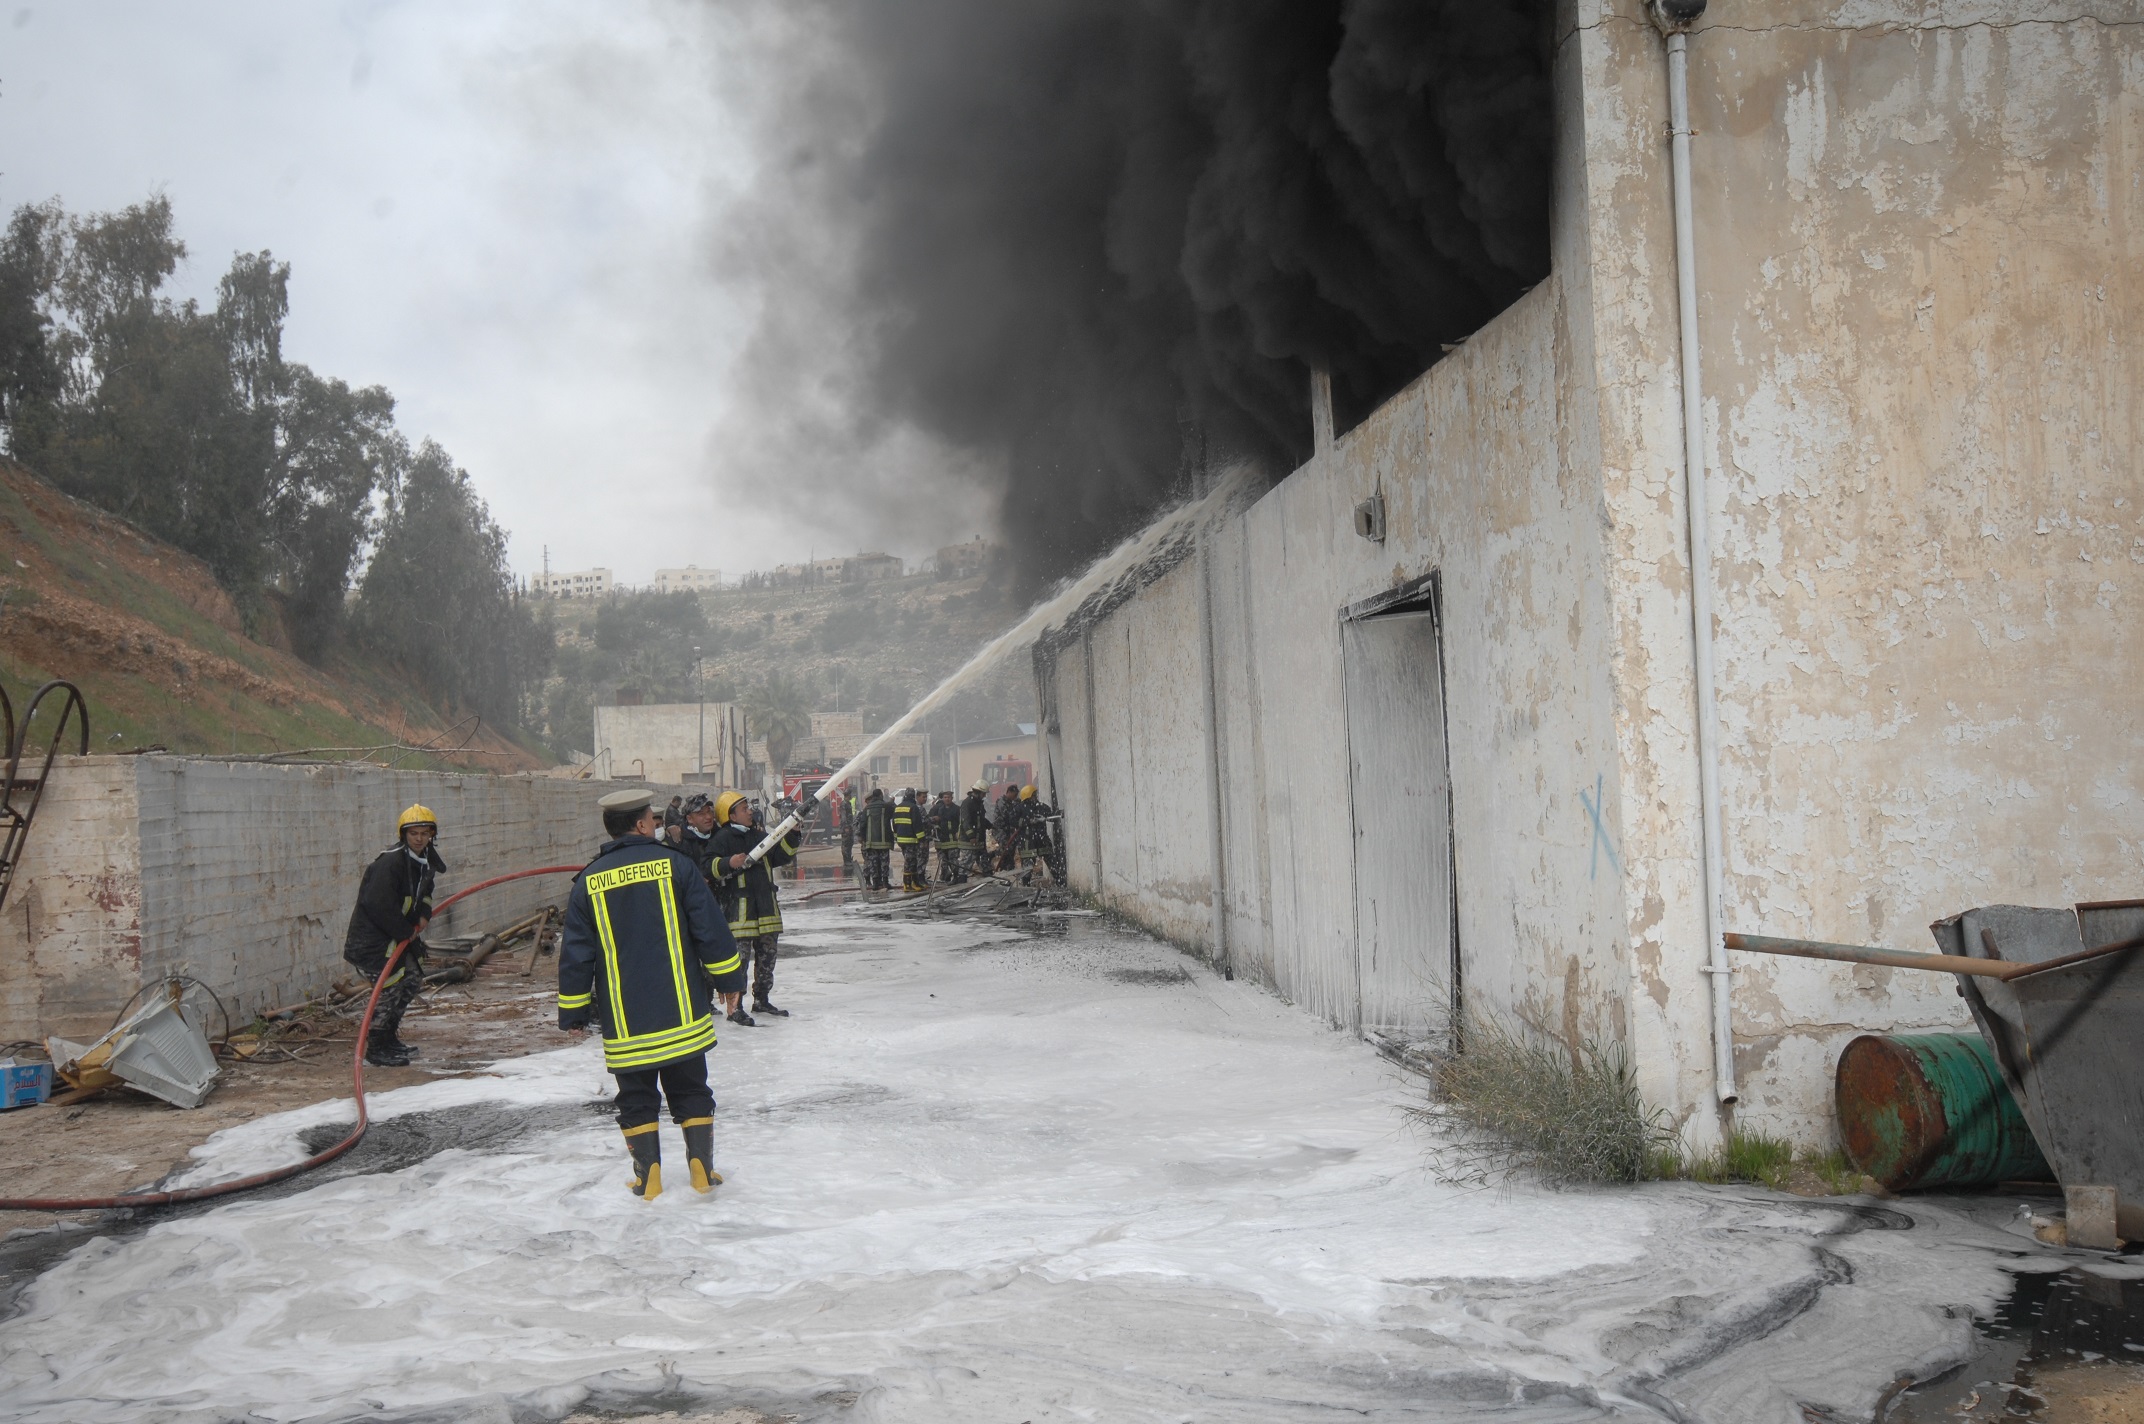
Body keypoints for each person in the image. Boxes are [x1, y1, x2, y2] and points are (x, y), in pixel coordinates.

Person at [558, 787, 745, 1200]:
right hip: (682, 1013)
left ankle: (648, 1179)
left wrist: (572, 1012)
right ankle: (701, 1173)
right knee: (692, 1089)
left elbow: (575, 954)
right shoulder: (676, 866)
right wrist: (731, 981)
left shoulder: (588, 881)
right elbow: (709, 930)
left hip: (626, 1021)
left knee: (637, 1097)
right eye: (653, 820)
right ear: (642, 824)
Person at [342, 803, 446, 1067]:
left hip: (398, 938)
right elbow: (376, 904)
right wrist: (405, 932)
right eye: (414, 834)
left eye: (424, 833)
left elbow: (426, 891)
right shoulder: (390, 863)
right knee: (388, 989)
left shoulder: (425, 860)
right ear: (404, 835)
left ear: (432, 834)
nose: (419, 838)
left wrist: (424, 913)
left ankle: (388, 1038)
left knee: (411, 981)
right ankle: (376, 1048)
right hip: (373, 942)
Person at [710, 789, 803, 1024]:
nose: (749, 811)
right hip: (740, 913)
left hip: (766, 909)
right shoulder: (721, 839)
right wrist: (727, 863)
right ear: (731, 816)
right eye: (744, 809)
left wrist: (793, 834)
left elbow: (780, 857)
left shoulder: (759, 835)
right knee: (738, 964)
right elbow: (707, 866)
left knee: (767, 959)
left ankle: (761, 999)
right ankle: (736, 1007)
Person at [857, 787, 893, 891]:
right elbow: (892, 814)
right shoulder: (886, 806)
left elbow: (862, 825)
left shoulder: (867, 809)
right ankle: (885, 882)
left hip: (871, 842)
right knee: (884, 862)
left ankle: (875, 883)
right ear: (881, 796)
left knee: (873, 862)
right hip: (884, 841)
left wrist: (864, 838)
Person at [892, 788, 927, 892]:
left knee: (911, 861)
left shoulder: (898, 807)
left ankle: (915, 883)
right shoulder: (913, 807)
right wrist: (922, 839)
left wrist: (896, 837)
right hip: (911, 839)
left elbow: (894, 824)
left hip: (901, 839)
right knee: (910, 862)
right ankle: (907, 884)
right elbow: (917, 824)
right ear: (914, 796)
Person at [955, 782, 989, 884]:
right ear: (977, 792)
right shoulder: (967, 803)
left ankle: (988, 882)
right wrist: (971, 836)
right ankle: (961, 884)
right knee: (965, 864)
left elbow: (981, 819)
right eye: (983, 793)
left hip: (979, 840)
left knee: (985, 863)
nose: (985, 796)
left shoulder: (979, 804)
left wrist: (991, 825)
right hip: (968, 841)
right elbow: (966, 821)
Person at [929, 790, 960, 883]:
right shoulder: (939, 809)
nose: (947, 799)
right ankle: (945, 875)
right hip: (941, 839)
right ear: (942, 798)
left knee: (953, 859)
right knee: (943, 860)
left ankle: (956, 876)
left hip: (952, 839)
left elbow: (959, 822)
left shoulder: (956, 809)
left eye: (949, 797)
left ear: (952, 798)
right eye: (945, 797)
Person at [838, 783, 857, 868]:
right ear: (848, 795)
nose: (851, 796)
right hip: (846, 828)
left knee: (850, 843)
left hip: (849, 826)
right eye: (850, 794)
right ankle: (846, 860)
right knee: (846, 844)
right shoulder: (844, 804)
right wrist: (846, 827)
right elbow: (843, 816)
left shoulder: (848, 803)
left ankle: (849, 858)